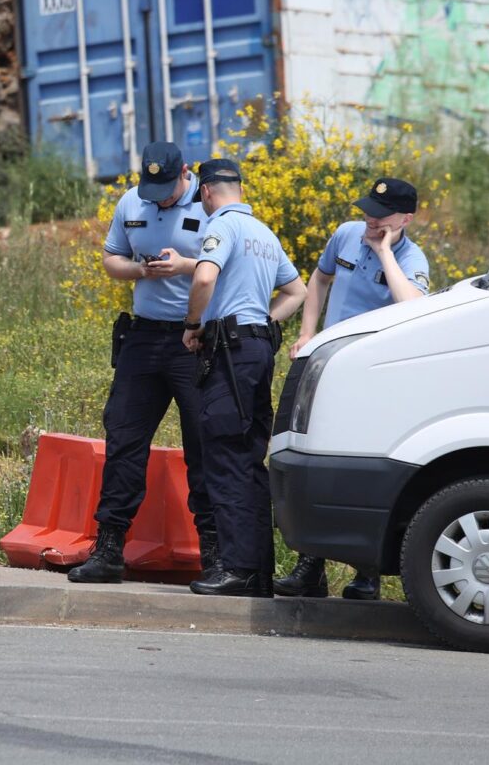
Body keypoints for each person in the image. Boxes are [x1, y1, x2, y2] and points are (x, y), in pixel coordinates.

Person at [67, 141, 218, 584]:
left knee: (203, 447)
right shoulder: (131, 201)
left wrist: (185, 267)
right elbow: (111, 258)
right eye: (151, 188)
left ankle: (215, 550)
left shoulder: (211, 206)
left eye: (167, 189)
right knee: (124, 440)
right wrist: (140, 271)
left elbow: (228, 266)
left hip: (195, 339)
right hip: (144, 336)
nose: (159, 198)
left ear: (186, 175)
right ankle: (110, 546)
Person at [276, 177, 430, 601]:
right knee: (314, 462)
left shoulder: (412, 259)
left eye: (380, 216)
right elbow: (319, 279)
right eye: (367, 211)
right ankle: (310, 568)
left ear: (405, 219)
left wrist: (384, 251)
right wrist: (308, 332)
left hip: (372, 379)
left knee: (360, 471)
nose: (370, 219)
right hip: (328, 366)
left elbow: (415, 309)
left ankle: (366, 574)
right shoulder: (345, 234)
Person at [182, 158, 306, 597]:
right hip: (256, 350)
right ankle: (258, 569)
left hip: (229, 352)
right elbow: (298, 292)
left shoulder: (222, 227)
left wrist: (193, 323)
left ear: (206, 193)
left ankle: (236, 568)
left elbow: (204, 278)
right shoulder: (264, 233)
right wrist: (266, 325)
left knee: (225, 457)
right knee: (251, 458)